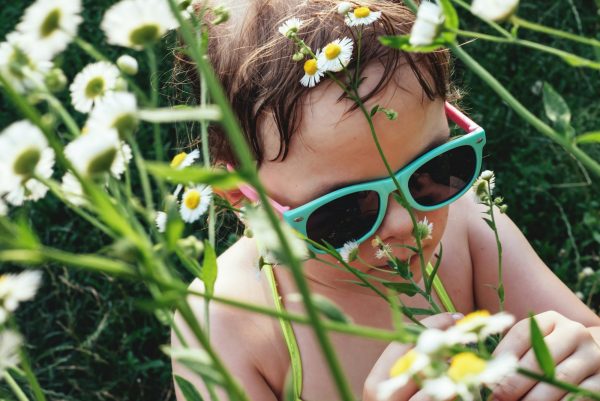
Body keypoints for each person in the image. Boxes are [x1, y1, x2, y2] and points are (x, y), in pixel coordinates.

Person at [170, 0, 600, 400]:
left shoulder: (470, 226)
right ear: (244, 199)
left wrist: (581, 354)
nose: (407, 222)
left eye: (433, 172)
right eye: (344, 212)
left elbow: (587, 337)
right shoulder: (224, 323)